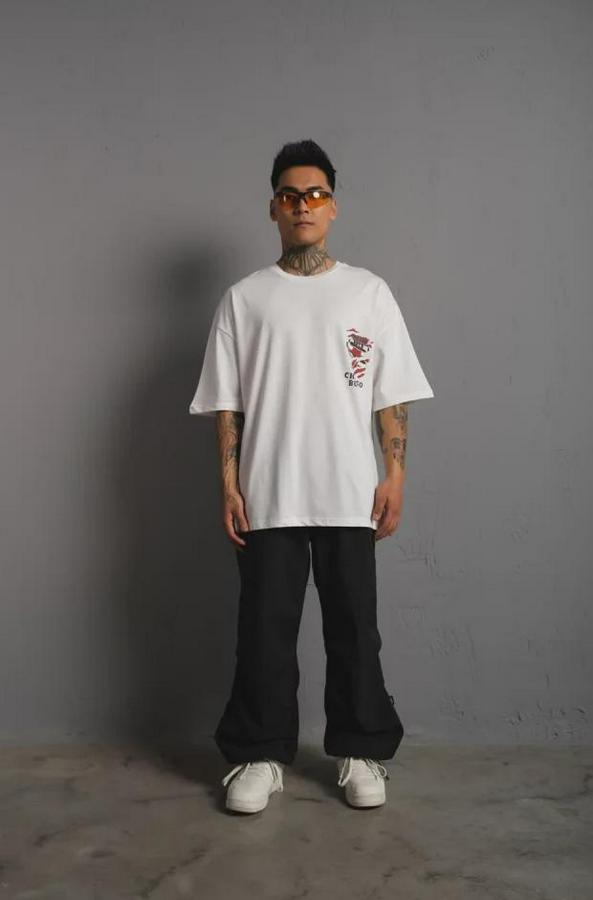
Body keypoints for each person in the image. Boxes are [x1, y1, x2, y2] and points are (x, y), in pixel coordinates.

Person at [188, 139, 434, 813]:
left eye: (316, 194)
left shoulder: (368, 292)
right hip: (269, 491)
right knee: (263, 632)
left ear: (333, 207)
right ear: (273, 208)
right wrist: (229, 483)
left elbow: (390, 393)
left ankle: (361, 751)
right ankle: (259, 756)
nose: (304, 205)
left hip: (350, 491)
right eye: (291, 195)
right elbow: (228, 403)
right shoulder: (245, 299)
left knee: (355, 629)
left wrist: (394, 474)